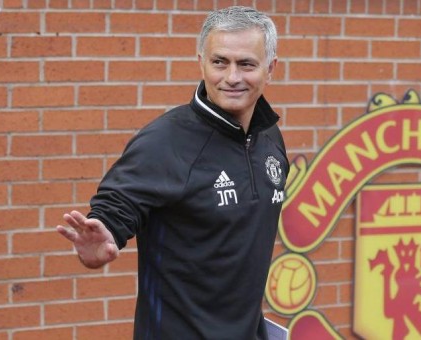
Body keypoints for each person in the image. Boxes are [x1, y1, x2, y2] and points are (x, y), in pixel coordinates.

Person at [56, 6, 287, 339]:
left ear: (270, 68)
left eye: (246, 64)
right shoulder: (164, 141)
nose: (232, 77)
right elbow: (116, 206)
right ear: (201, 62)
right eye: (219, 62)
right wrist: (103, 235)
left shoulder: (269, 138)